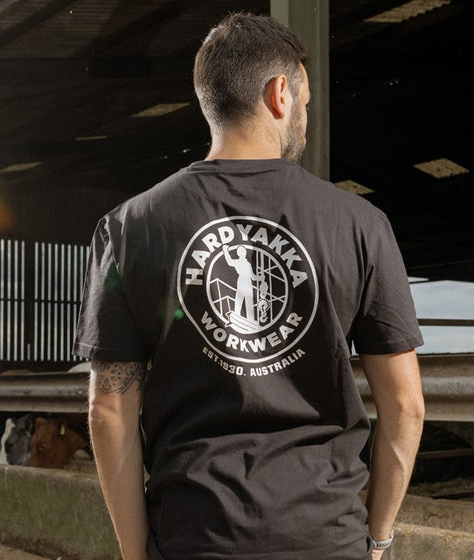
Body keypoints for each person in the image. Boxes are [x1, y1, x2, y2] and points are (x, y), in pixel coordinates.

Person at [76, 12, 425, 560]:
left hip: (195, 536)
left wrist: (136, 552)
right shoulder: (359, 224)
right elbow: (405, 406)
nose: (305, 117)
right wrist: (376, 539)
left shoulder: (129, 227)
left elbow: (108, 411)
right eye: (306, 102)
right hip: (325, 538)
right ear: (280, 93)